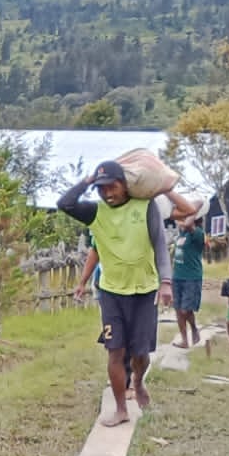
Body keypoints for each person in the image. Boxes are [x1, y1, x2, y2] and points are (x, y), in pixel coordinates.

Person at [62, 159, 196, 426]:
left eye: (112, 187)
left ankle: (138, 380)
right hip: (111, 291)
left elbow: (159, 245)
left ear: (125, 185)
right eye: (102, 189)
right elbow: (65, 204)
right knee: (115, 351)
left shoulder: (145, 207)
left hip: (144, 291)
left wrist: (166, 282)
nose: (108, 194)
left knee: (140, 353)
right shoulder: (95, 212)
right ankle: (121, 408)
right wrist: (88, 181)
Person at [170, 211, 206, 348]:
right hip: (177, 276)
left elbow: (188, 223)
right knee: (178, 309)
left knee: (186, 310)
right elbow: (173, 216)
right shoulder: (181, 234)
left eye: (184, 218)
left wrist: (191, 210)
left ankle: (194, 328)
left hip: (192, 277)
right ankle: (184, 340)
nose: (181, 221)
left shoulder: (197, 234)